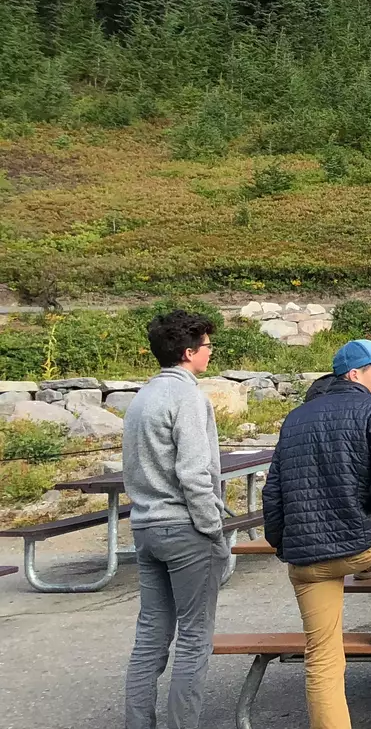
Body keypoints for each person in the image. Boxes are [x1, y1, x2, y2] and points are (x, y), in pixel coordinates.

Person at [263, 339, 371, 729]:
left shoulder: (296, 417)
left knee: (322, 659)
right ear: (355, 374)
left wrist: (282, 543)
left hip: (304, 559)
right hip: (358, 546)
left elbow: (273, 491)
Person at [123, 310, 227, 729]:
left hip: (146, 526)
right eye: (206, 345)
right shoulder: (188, 397)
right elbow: (194, 472)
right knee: (194, 640)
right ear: (189, 352)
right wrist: (213, 528)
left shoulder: (141, 397)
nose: (210, 351)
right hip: (185, 529)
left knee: (150, 636)